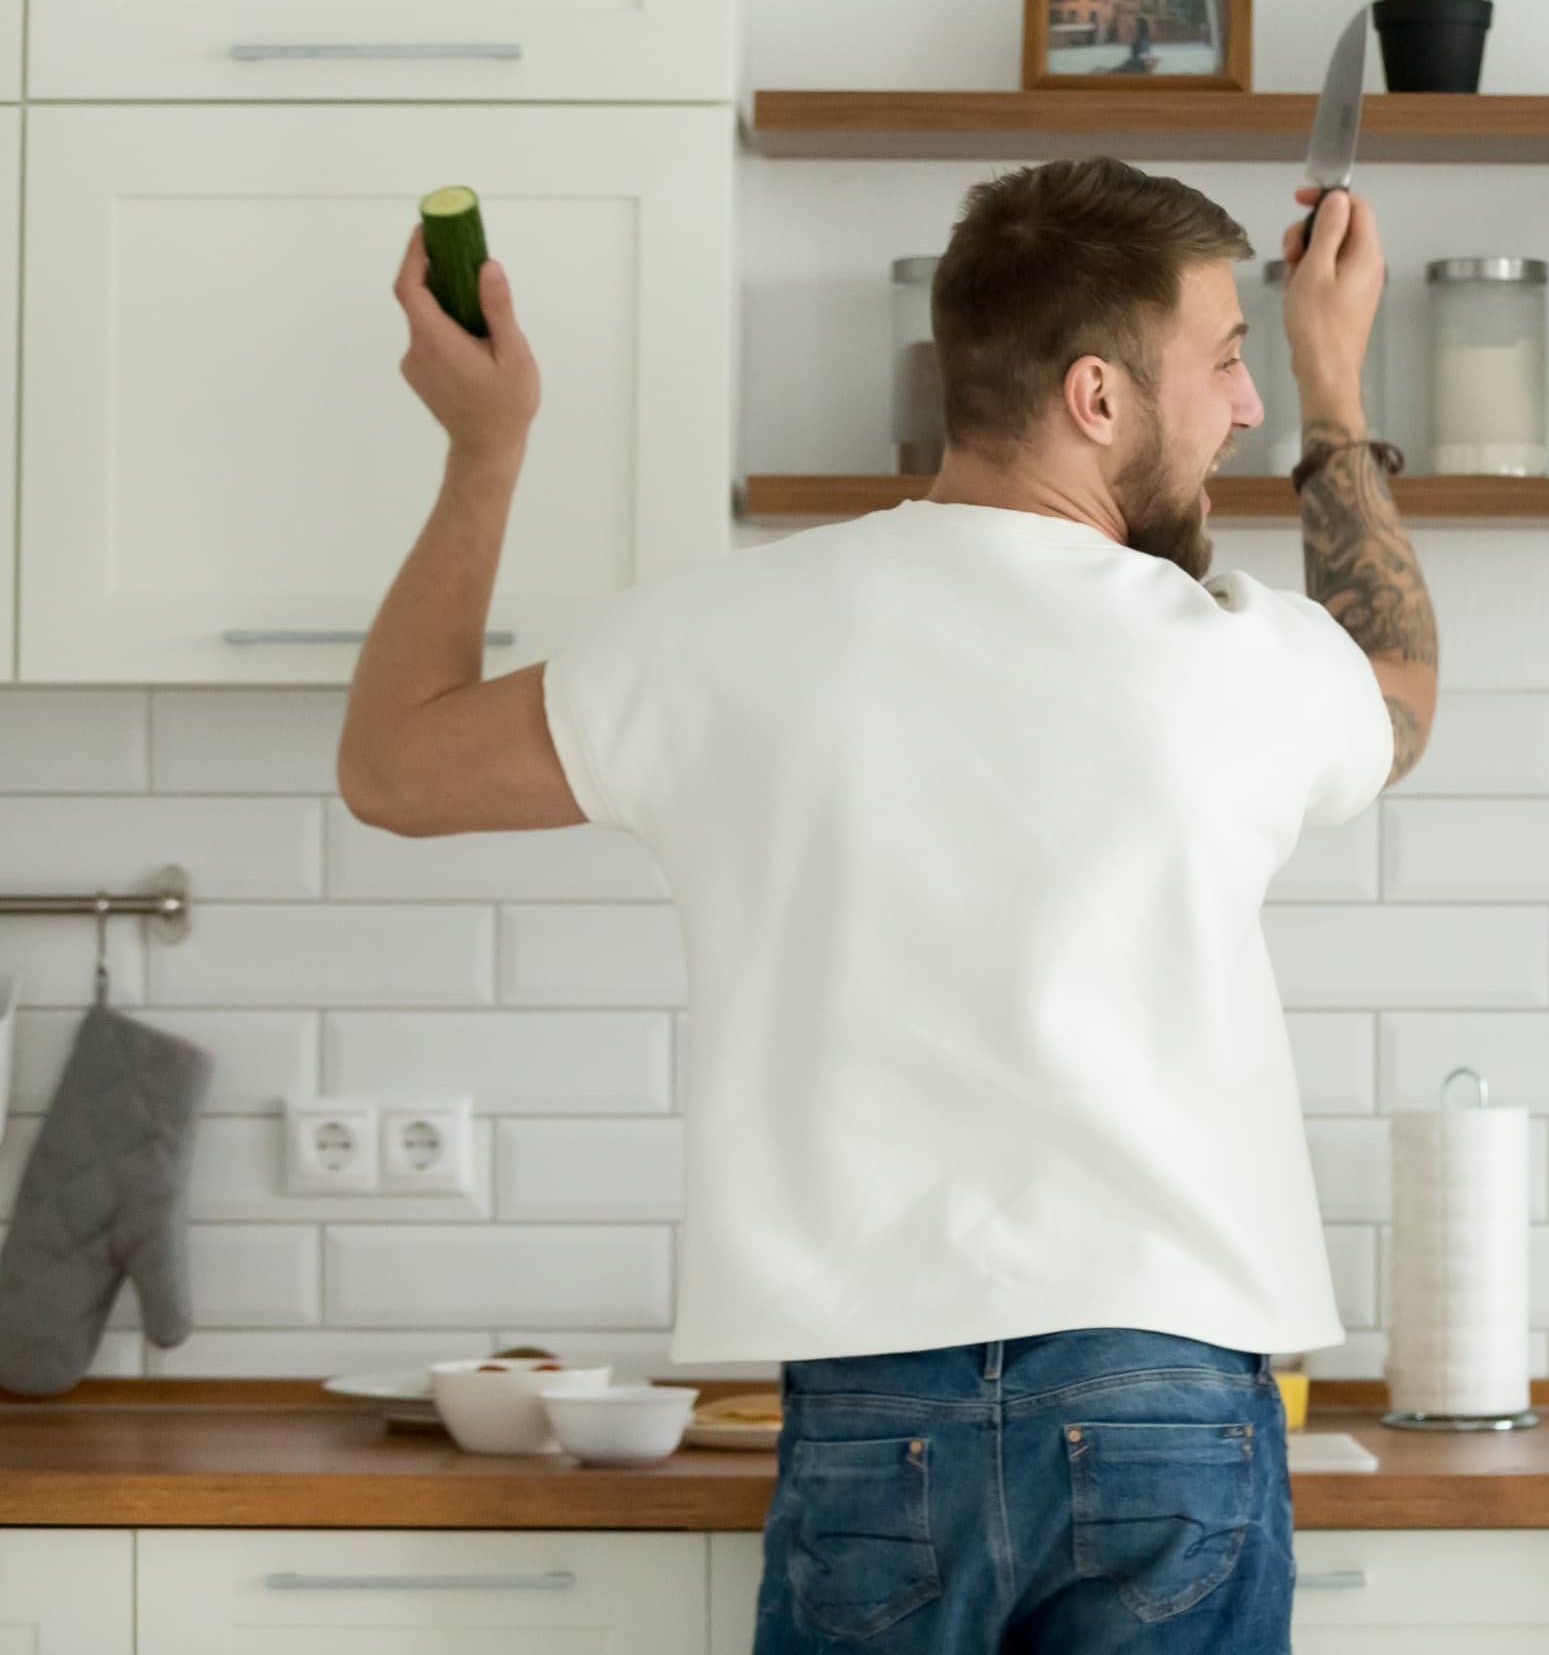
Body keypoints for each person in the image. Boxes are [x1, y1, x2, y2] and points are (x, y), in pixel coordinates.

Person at [337, 157, 1436, 1654]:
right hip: (1170, 1404)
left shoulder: (723, 634)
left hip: (873, 1410)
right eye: (1227, 364)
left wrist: (486, 444)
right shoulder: (1235, 654)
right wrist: (1336, 378)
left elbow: (395, 766)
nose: (1241, 407)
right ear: (1097, 396)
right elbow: (1404, 695)